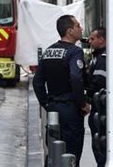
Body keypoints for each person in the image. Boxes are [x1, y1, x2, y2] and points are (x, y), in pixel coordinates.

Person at [33, 15, 90, 166]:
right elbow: (76, 78)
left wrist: (47, 103)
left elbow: (37, 82)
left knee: (53, 152)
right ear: (70, 31)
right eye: (78, 26)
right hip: (70, 110)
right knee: (71, 155)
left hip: (53, 109)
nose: (81, 28)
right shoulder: (74, 52)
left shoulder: (49, 51)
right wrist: (82, 104)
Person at [86, 27, 107, 166]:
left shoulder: (102, 59)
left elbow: (98, 82)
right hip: (99, 106)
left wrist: (86, 94)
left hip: (101, 107)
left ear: (101, 40)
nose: (89, 41)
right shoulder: (97, 57)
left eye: (92, 38)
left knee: (100, 143)